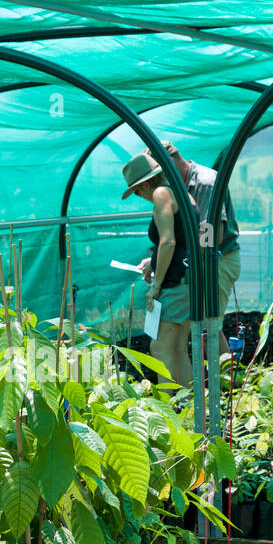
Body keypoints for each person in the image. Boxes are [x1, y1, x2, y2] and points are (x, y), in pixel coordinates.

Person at [137, 141, 242, 316]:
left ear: (169, 162)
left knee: (208, 324)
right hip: (198, 259)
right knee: (200, 326)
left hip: (218, 261)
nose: (157, 180)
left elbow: (211, 237)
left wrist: (171, 258)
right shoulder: (174, 188)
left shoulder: (206, 182)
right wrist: (156, 259)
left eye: (159, 172)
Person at [121, 151, 193, 390]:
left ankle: (171, 412)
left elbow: (169, 242)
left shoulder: (161, 193)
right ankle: (190, 408)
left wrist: (156, 285)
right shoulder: (181, 192)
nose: (139, 196)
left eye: (137, 191)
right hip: (189, 278)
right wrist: (153, 262)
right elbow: (183, 239)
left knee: (159, 347)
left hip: (176, 282)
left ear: (144, 183)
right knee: (178, 347)